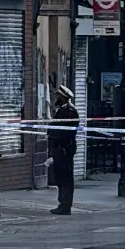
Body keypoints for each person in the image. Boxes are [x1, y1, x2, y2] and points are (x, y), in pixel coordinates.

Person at [48, 84, 80, 215]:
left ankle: (65, 205)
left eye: (58, 96)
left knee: (66, 177)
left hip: (64, 149)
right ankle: (62, 202)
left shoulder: (70, 111)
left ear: (63, 97)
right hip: (59, 148)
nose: (56, 98)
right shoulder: (61, 110)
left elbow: (67, 132)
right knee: (60, 176)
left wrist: (58, 142)